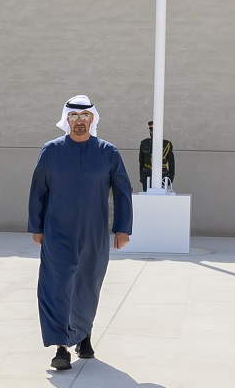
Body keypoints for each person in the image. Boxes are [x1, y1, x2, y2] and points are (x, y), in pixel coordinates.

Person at [28, 96, 134, 371]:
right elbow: (38, 189)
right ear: (67, 120)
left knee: (87, 284)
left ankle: (84, 334)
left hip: (93, 232)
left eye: (84, 117)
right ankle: (62, 347)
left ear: (92, 120)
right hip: (57, 231)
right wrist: (36, 226)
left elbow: (122, 192)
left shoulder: (107, 152)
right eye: (73, 117)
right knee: (58, 285)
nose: (79, 122)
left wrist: (122, 228)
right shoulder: (51, 151)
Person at [139, 120, 175, 192]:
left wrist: (170, 178)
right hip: (147, 174)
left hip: (162, 174)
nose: (152, 132)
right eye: (151, 130)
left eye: (153, 130)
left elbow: (171, 162)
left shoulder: (166, 144)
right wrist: (142, 176)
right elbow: (141, 161)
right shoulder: (144, 143)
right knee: (147, 196)